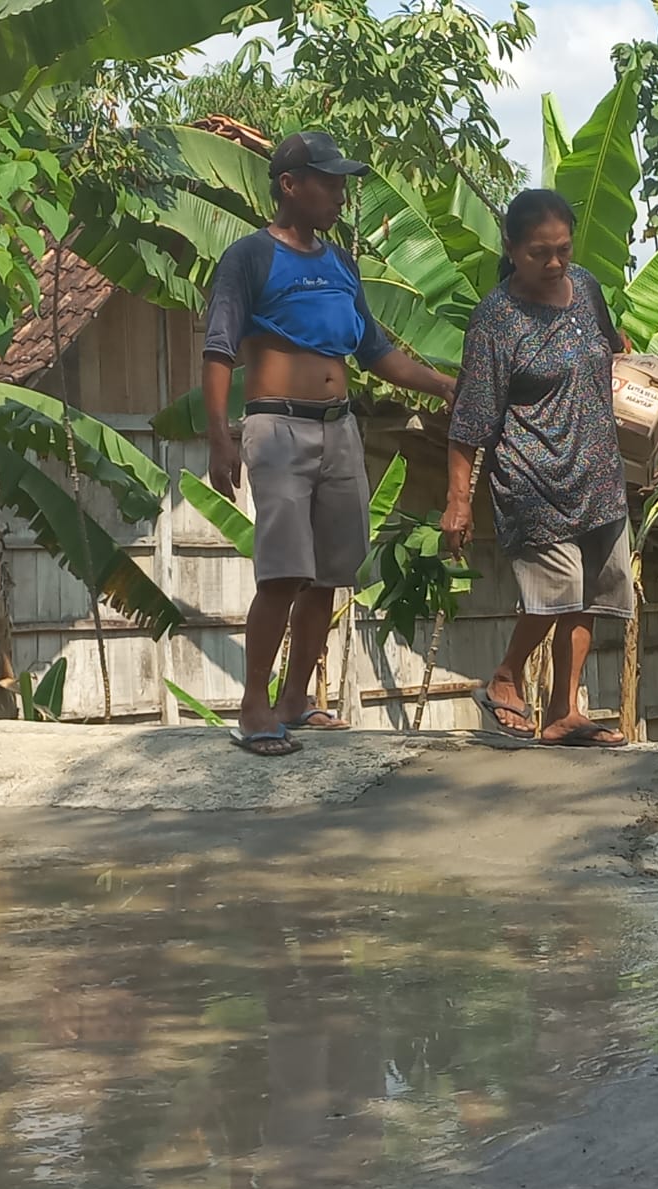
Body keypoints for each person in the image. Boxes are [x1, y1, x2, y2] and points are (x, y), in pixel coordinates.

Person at [203, 131, 455, 757]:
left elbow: (374, 350)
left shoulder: (341, 263)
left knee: (327, 577)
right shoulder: (249, 258)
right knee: (283, 573)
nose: (340, 194)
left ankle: (296, 700)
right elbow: (217, 350)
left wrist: (444, 383)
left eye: (343, 182)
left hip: (340, 429)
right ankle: (255, 704)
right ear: (290, 185)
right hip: (277, 428)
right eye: (329, 181)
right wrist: (218, 437)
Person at [441, 189, 634, 748]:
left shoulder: (589, 289)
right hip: (532, 479)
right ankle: (506, 673)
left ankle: (563, 711)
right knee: (557, 590)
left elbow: (609, 347)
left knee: (593, 595)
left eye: (563, 251)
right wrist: (457, 501)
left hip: (597, 473)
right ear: (511, 248)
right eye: (539, 253)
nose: (554, 264)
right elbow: (471, 418)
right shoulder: (495, 320)